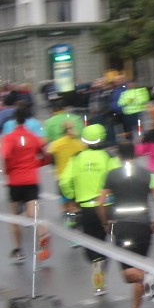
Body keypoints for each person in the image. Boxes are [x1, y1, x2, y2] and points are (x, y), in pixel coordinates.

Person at [101, 143, 154, 308]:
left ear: (118, 156)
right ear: (135, 155)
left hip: (123, 227)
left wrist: (105, 223)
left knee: (128, 275)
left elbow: (100, 202)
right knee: (138, 266)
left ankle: (148, 276)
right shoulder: (149, 173)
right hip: (144, 227)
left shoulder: (112, 175)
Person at [58, 124, 120, 295]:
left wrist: (71, 196)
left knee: (90, 241)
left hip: (86, 207)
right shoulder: (108, 156)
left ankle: (96, 265)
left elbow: (64, 181)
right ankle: (102, 270)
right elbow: (118, 177)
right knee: (105, 240)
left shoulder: (77, 158)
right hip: (107, 206)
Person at [3, 105, 49, 265]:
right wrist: (37, 163)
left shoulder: (9, 137)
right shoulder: (33, 136)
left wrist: (7, 171)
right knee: (33, 214)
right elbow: (46, 155)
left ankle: (18, 251)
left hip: (15, 181)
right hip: (31, 179)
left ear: (15, 119)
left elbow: (5, 155)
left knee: (14, 217)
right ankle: (43, 236)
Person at [48, 118, 86, 229]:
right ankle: (76, 218)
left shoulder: (56, 144)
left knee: (65, 200)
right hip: (76, 177)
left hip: (61, 177)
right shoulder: (80, 144)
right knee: (75, 200)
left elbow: (50, 158)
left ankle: (69, 218)